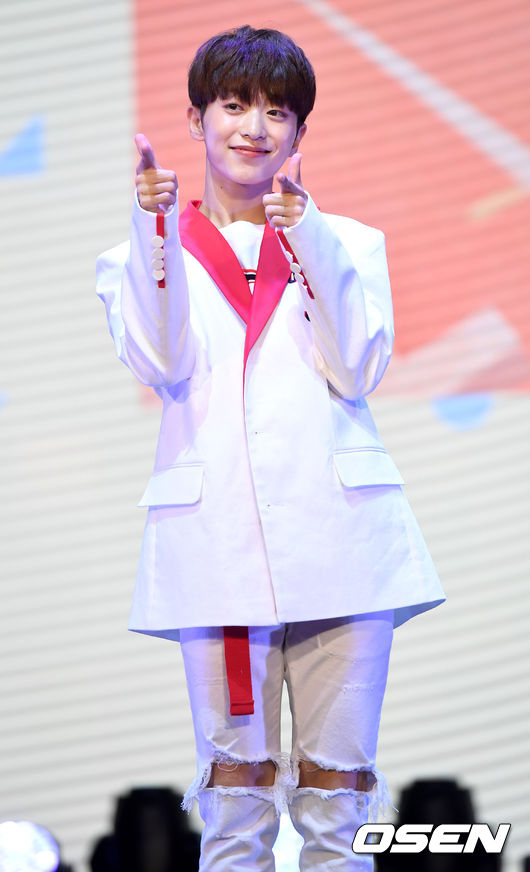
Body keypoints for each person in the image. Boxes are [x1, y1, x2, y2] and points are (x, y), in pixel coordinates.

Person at [96, 24, 445, 871]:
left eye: (277, 112)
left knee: (339, 799)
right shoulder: (136, 255)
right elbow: (163, 361)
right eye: (234, 105)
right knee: (235, 803)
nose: (254, 127)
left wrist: (309, 238)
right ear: (196, 119)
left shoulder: (349, 243)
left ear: (299, 132)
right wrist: (153, 234)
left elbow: (356, 368)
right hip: (219, 552)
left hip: (343, 544)